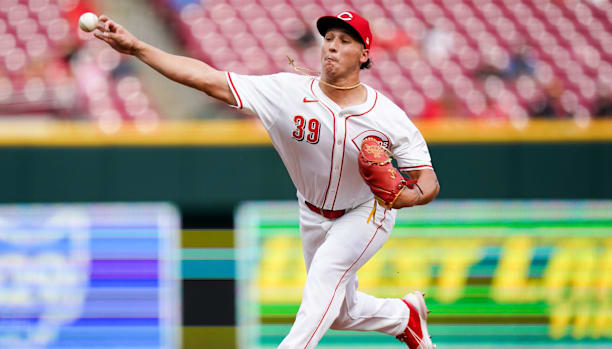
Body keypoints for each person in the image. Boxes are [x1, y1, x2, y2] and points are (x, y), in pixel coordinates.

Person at [94, 10, 439, 349]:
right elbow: (206, 78)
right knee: (339, 312)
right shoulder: (286, 93)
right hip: (313, 212)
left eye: (345, 40)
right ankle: (402, 316)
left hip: (366, 211)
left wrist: (404, 198)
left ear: (364, 54)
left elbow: (428, 181)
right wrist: (138, 48)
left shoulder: (387, 115)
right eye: (329, 38)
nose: (332, 46)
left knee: (325, 276)